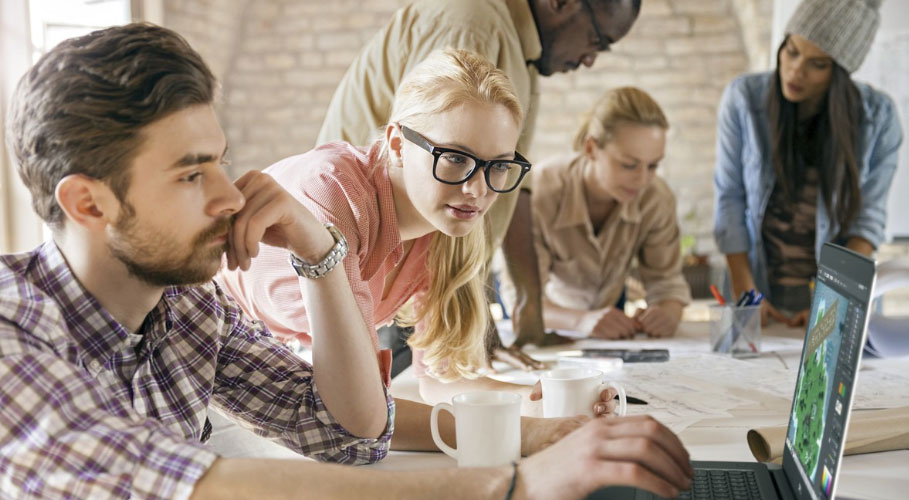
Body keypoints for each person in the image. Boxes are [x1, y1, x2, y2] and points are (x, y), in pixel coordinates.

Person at [0, 24, 695, 499]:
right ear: (89, 204)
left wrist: (324, 254)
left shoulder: (186, 310)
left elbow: (350, 433)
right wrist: (511, 486)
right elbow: (167, 484)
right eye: (193, 174)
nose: (234, 195)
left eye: (221, 162)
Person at [220, 48, 613, 412]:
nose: (478, 189)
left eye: (498, 165)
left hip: (274, 365)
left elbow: (443, 380)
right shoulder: (333, 193)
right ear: (396, 144)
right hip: (203, 347)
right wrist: (530, 432)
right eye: (456, 158)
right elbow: (364, 412)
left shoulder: (445, 222)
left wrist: (545, 399)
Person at [317, 0, 643, 372]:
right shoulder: (472, 26)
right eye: (596, 39)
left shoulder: (522, 54)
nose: (590, 60)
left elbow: (510, 187)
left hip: (421, 278)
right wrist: (467, 321)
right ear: (562, 4)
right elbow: (446, 179)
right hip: (383, 275)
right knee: (398, 412)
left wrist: (528, 308)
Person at [714, 0, 902, 328]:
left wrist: (832, 304)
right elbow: (729, 199)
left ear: (841, 70)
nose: (795, 70)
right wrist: (748, 296)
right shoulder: (744, 99)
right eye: (792, 50)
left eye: (817, 63)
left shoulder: (879, 118)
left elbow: (868, 221)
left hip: (839, 297)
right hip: (757, 289)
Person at [526, 87, 691, 339]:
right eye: (629, 164)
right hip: (552, 324)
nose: (643, 179)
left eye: (653, 165)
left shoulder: (657, 197)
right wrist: (580, 321)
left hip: (611, 318)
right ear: (591, 148)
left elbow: (666, 282)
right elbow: (523, 302)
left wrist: (668, 312)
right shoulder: (539, 191)